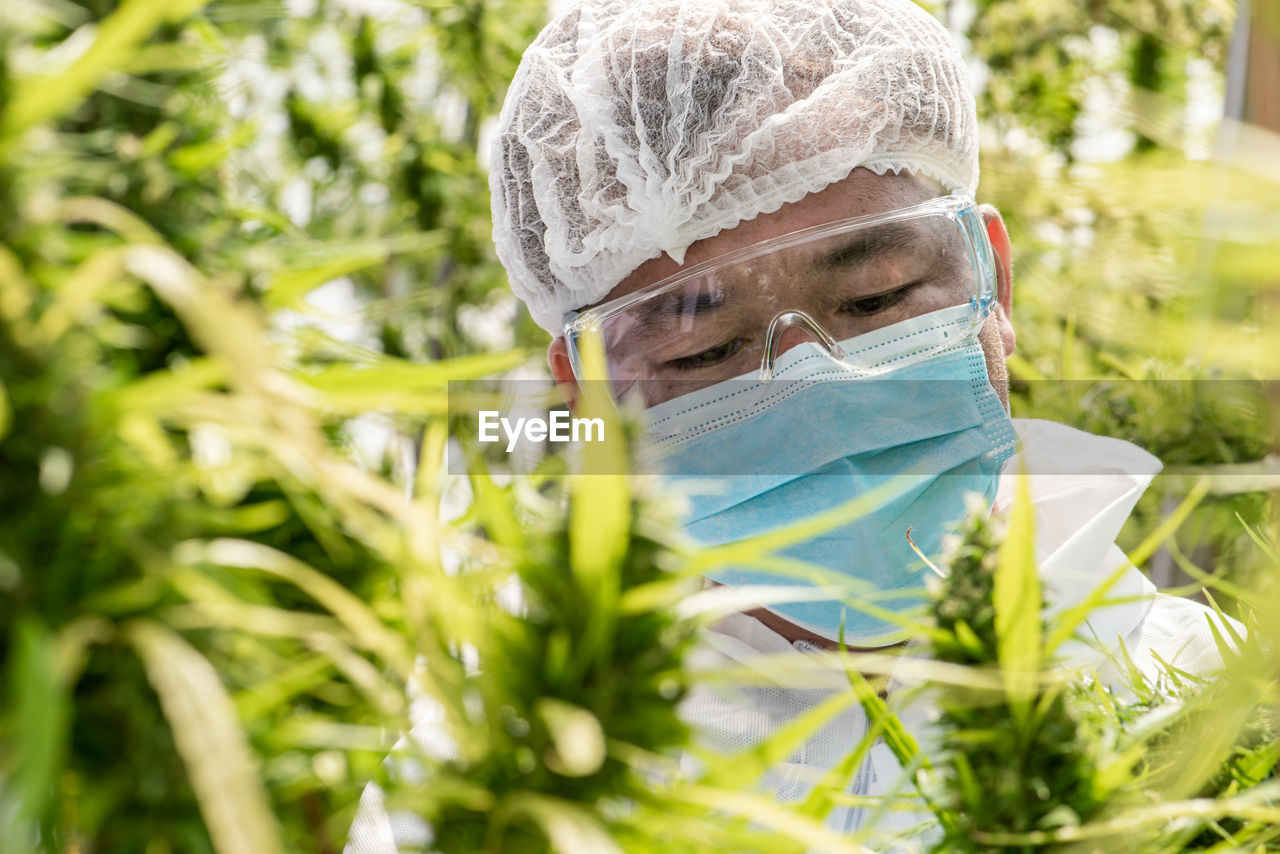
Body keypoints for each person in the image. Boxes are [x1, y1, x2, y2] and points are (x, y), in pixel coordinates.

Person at [346, 0, 1241, 849]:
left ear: (992, 281)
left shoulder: (1209, 708)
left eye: (876, 297)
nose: (815, 384)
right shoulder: (510, 779)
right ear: (586, 397)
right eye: (704, 351)